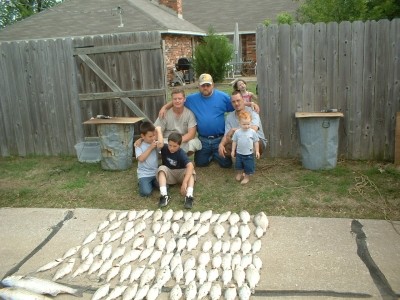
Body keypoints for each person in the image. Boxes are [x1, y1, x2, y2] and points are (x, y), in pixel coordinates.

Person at [159, 73, 259, 168]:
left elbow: (236, 102)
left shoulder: (222, 97)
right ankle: (212, 155)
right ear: (199, 86)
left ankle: (215, 155)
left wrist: (249, 104)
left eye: (208, 85)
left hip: (219, 138)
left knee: (226, 164)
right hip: (203, 139)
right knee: (200, 163)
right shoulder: (192, 99)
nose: (205, 87)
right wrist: (165, 107)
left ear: (213, 85)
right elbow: (178, 100)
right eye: (203, 85)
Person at [218, 90, 267, 158]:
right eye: (233, 102)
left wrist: (233, 130)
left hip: (256, 140)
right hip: (239, 140)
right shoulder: (229, 117)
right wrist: (221, 144)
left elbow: (254, 129)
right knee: (225, 148)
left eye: (238, 100)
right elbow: (226, 135)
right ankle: (240, 160)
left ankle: (248, 160)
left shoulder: (253, 111)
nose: (236, 103)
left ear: (243, 100)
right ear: (231, 103)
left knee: (250, 142)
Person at [154, 88, 202, 155]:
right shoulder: (165, 113)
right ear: (172, 100)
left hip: (182, 140)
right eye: (175, 99)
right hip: (168, 141)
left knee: (194, 143)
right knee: (159, 144)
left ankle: (183, 158)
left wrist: (177, 142)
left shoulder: (189, 114)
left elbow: (191, 134)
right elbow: (156, 132)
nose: (177, 101)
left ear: (184, 99)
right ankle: (170, 157)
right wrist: (171, 143)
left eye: (180, 99)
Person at [157, 132, 196, 209]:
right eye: (170, 145)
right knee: (161, 169)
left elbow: (190, 165)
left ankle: (189, 195)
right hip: (170, 173)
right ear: (167, 143)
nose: (171, 148)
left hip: (181, 173)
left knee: (191, 171)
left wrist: (184, 182)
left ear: (180, 145)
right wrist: (141, 140)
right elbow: (157, 142)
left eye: (175, 146)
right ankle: (164, 195)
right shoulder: (164, 148)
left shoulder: (181, 153)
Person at [135, 121, 163, 197]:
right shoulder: (138, 145)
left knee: (165, 187)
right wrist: (150, 148)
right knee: (146, 193)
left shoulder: (155, 142)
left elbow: (160, 145)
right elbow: (141, 159)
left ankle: (151, 183)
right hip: (144, 174)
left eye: (154, 135)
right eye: (150, 136)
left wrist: (159, 131)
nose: (153, 138)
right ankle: (143, 183)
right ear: (143, 136)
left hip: (155, 172)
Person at [231, 110, 260, 184]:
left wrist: (257, 151)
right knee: (238, 165)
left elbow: (256, 141)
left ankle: (246, 177)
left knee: (248, 166)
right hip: (239, 153)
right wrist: (233, 151)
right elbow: (234, 141)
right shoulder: (237, 132)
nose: (246, 126)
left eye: (248, 124)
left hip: (249, 154)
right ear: (240, 123)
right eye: (244, 124)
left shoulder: (252, 132)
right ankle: (239, 173)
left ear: (250, 122)